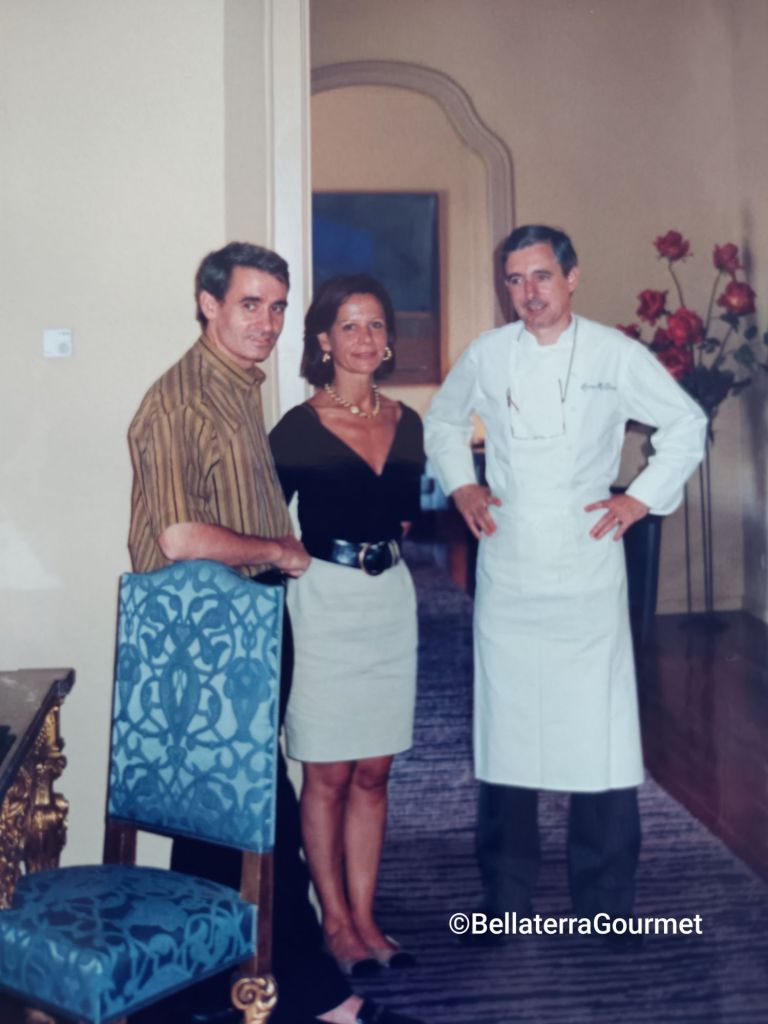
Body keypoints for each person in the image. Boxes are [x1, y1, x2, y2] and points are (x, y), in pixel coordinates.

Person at [128, 242, 424, 1024]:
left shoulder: (235, 390)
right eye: (249, 304)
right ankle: (320, 996)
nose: (265, 321)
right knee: (269, 818)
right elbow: (176, 537)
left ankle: (205, 990)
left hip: (249, 628)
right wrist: (280, 551)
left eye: (276, 306)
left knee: (225, 828)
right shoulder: (182, 399)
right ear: (209, 303)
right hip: (209, 640)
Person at [424, 225, 707, 940]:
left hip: (586, 564)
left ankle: (605, 897)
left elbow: (686, 423)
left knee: (598, 735)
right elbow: (443, 422)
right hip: (511, 561)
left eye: (542, 276)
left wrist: (638, 499)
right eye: (515, 279)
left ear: (572, 277)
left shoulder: (615, 354)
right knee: (508, 733)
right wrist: (463, 486)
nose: (529, 293)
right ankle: (506, 894)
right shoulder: (489, 353)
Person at [269, 274, 424, 978]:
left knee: (375, 772)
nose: (364, 337)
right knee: (327, 772)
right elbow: (267, 519)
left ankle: (366, 917)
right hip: (323, 605)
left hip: (389, 602)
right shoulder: (297, 428)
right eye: (350, 325)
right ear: (324, 341)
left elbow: (402, 518)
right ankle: (333, 921)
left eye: (375, 324)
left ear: (388, 339)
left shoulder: (407, 422)